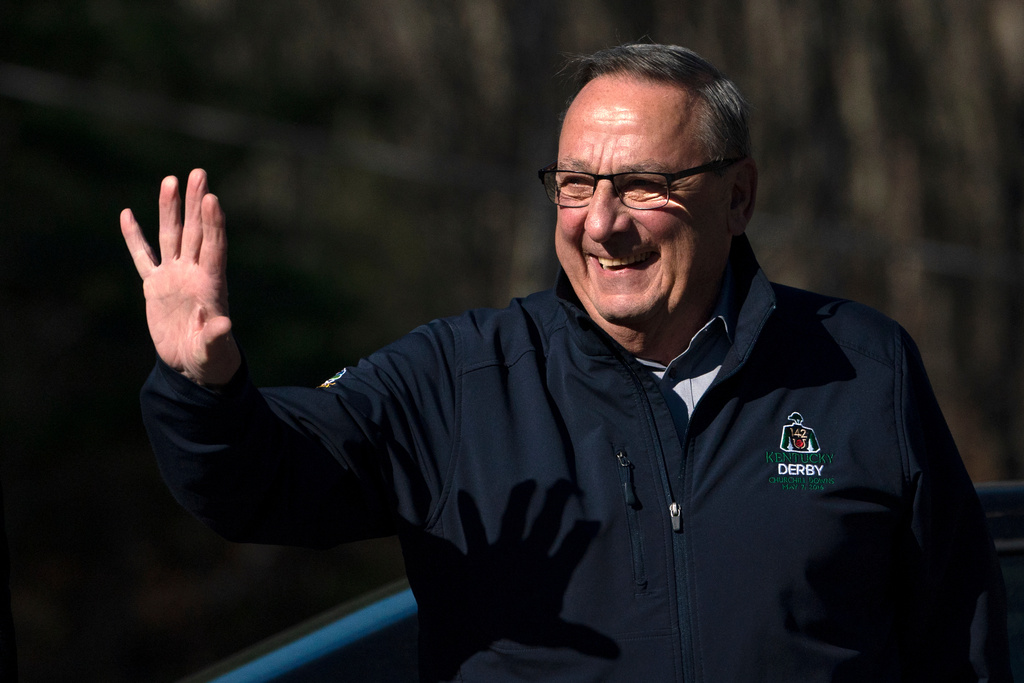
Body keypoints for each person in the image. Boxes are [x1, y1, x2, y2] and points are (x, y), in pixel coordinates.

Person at [120, 43, 1011, 682]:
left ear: (737, 196)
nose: (601, 221)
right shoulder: (460, 379)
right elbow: (261, 480)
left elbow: (958, 638)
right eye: (576, 183)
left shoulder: (862, 367)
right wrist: (206, 389)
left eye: (644, 185)